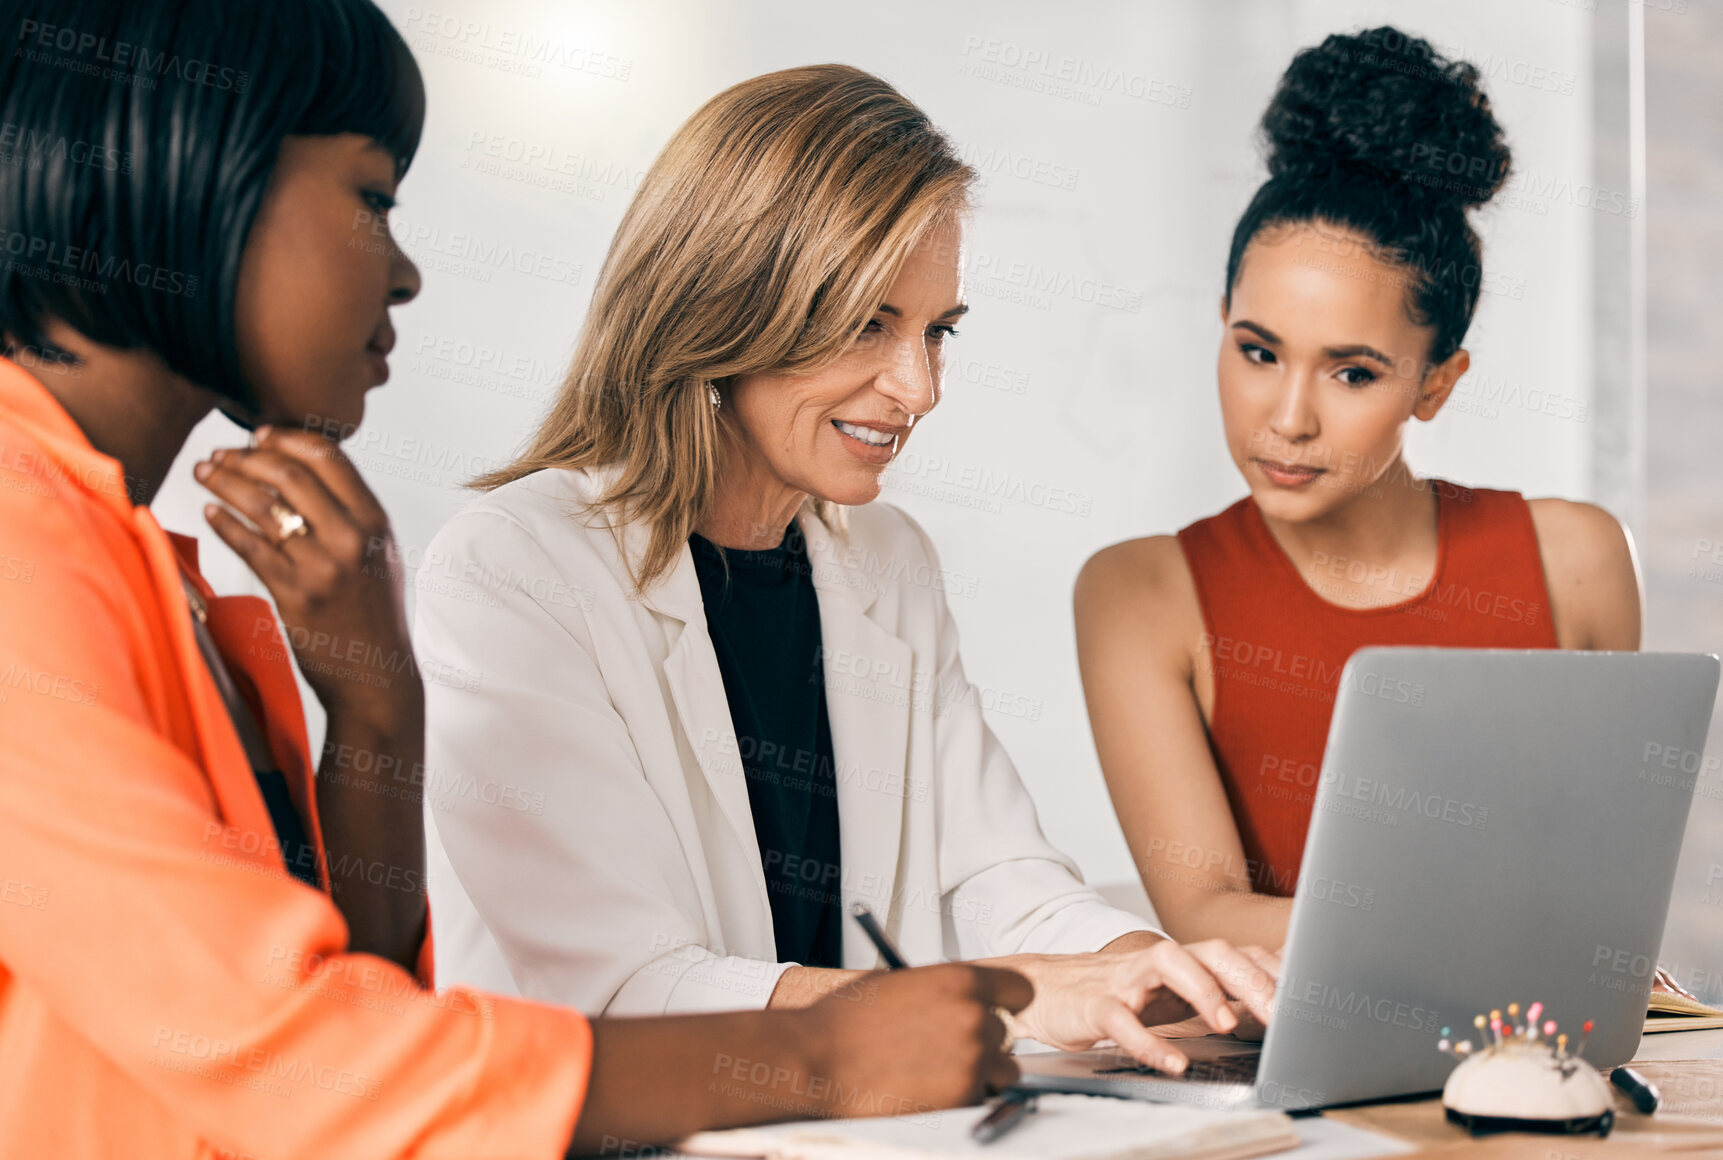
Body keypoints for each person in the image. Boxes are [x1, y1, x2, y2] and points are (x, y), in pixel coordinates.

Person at [0, 4, 1035, 1155]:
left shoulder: (146, 563)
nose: (403, 272)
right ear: (190, 174)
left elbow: (355, 997)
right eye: (372, 198)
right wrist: (824, 1054)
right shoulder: (20, 551)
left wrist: (376, 706)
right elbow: (292, 1061)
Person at [416, 64, 1278, 1074]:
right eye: (869, 322)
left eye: (936, 331)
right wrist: (1021, 994)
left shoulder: (887, 562)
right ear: (726, 302)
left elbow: (997, 875)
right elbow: (623, 989)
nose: (918, 388)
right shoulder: (512, 570)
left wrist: (1163, 974)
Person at [1074, 27, 1642, 953]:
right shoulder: (1139, 594)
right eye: (1257, 352)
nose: (1287, 418)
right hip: (1281, 1069)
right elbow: (1206, 914)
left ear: (1435, 383)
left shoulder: (1573, 559)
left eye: (1352, 373)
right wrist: (1494, 941)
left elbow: (1605, 890)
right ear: (1221, 323)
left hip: (1532, 1058)